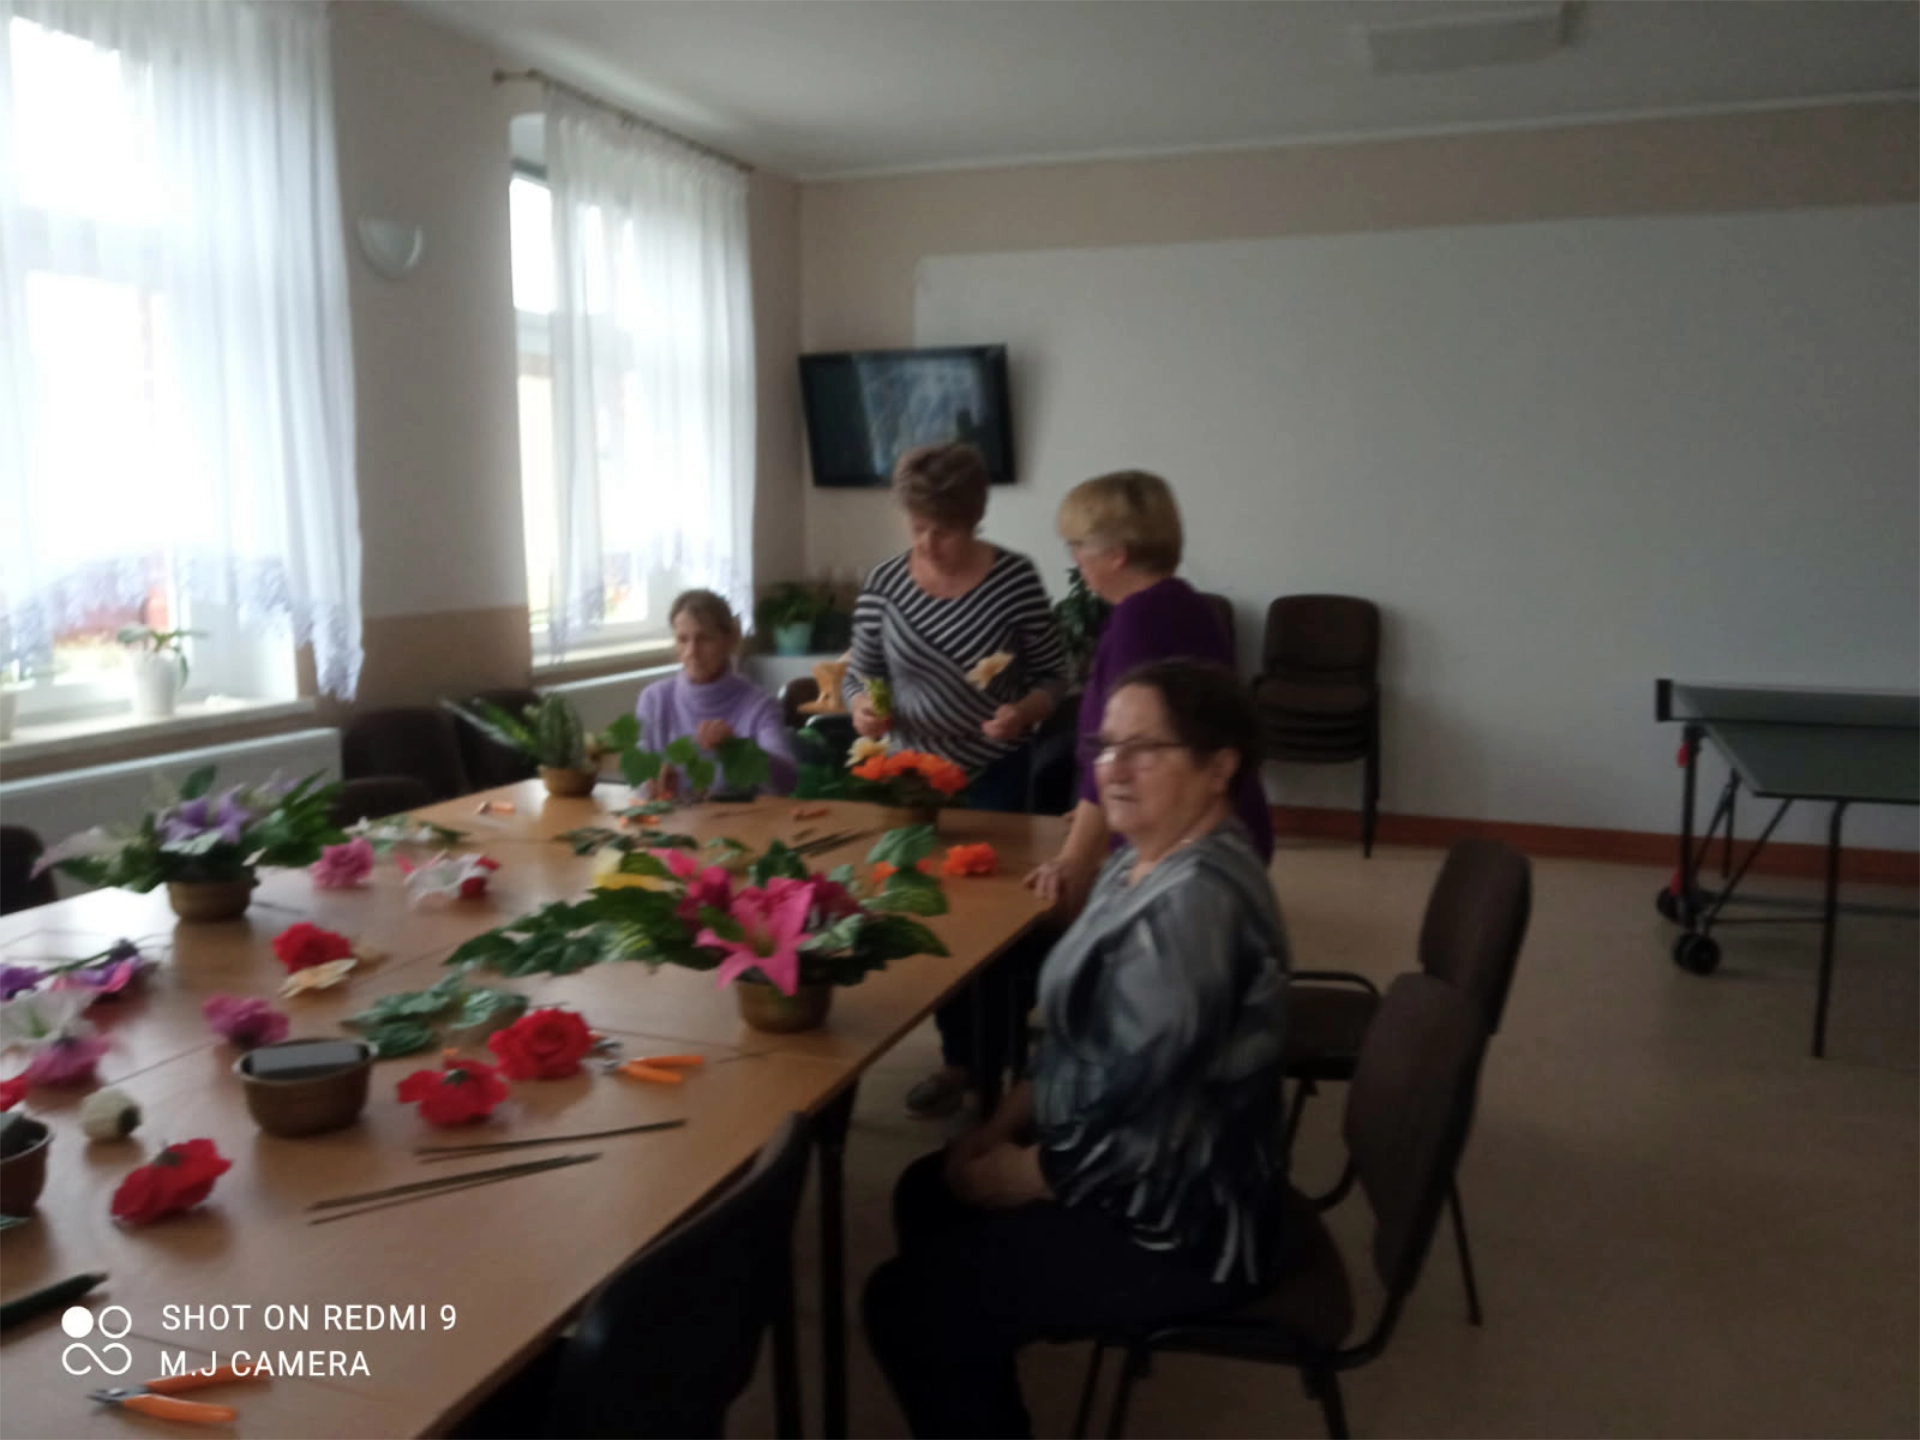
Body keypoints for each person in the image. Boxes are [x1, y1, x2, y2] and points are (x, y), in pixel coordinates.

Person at [863, 661, 1291, 1440]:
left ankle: (967, 1350)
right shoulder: (1138, 856)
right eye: (1105, 745)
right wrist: (998, 1127)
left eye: (1146, 748)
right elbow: (1076, 1035)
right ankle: (977, 1364)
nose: (1113, 768)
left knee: (905, 1305)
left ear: (1219, 765)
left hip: (1180, 1221)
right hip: (1124, 1164)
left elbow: (1150, 1126)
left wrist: (1022, 1172)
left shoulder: (1193, 910)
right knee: (927, 1194)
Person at [844, 440, 1068, 1115]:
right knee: (935, 917)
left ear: (972, 519)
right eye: (917, 527)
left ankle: (997, 1066)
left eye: (943, 530)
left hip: (995, 772)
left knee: (992, 925)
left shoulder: (1014, 579)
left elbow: (1055, 675)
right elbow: (861, 674)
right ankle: (957, 1062)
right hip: (913, 781)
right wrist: (861, 709)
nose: (928, 543)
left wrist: (1024, 711)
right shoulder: (885, 583)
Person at [1028, 470, 1274, 920]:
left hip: (1186, 843)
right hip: (1219, 825)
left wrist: (1073, 859)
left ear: (1116, 554)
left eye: (1078, 545)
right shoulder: (1185, 602)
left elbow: (1121, 750)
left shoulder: (1137, 621)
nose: (1075, 558)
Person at [635, 589, 797, 797]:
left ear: (729, 640)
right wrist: (650, 781)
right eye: (683, 639)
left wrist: (739, 749)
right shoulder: (654, 700)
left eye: (704, 639)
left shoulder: (760, 705)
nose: (692, 651)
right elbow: (639, 777)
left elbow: (787, 781)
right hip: (672, 815)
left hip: (740, 817)